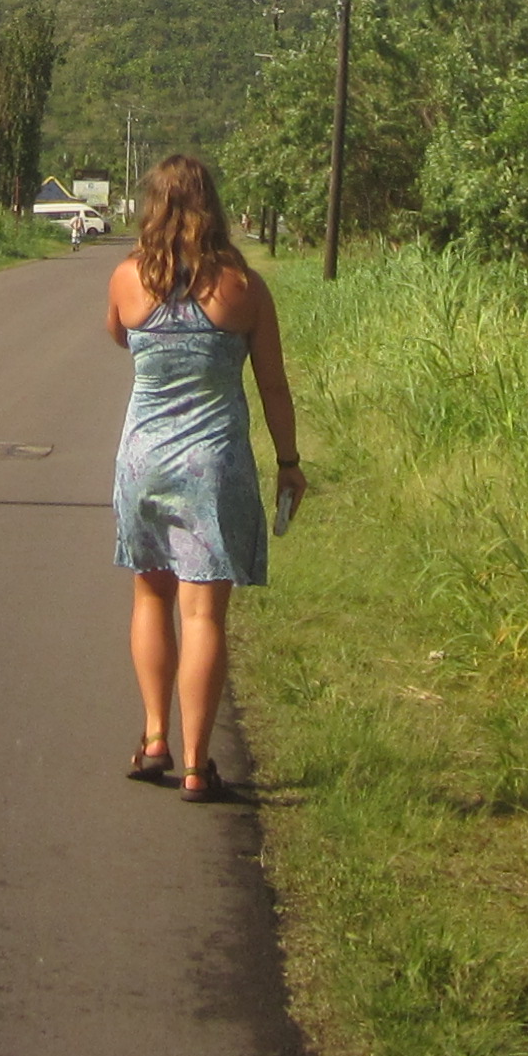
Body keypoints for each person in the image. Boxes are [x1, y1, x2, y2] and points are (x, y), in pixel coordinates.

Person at [105, 153, 302, 803]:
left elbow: (119, 335)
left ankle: (154, 737)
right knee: (203, 613)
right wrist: (289, 462)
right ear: (212, 208)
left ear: (152, 208)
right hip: (213, 465)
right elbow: (272, 385)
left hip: (144, 461)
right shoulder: (243, 287)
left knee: (150, 595)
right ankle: (196, 764)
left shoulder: (127, 278)